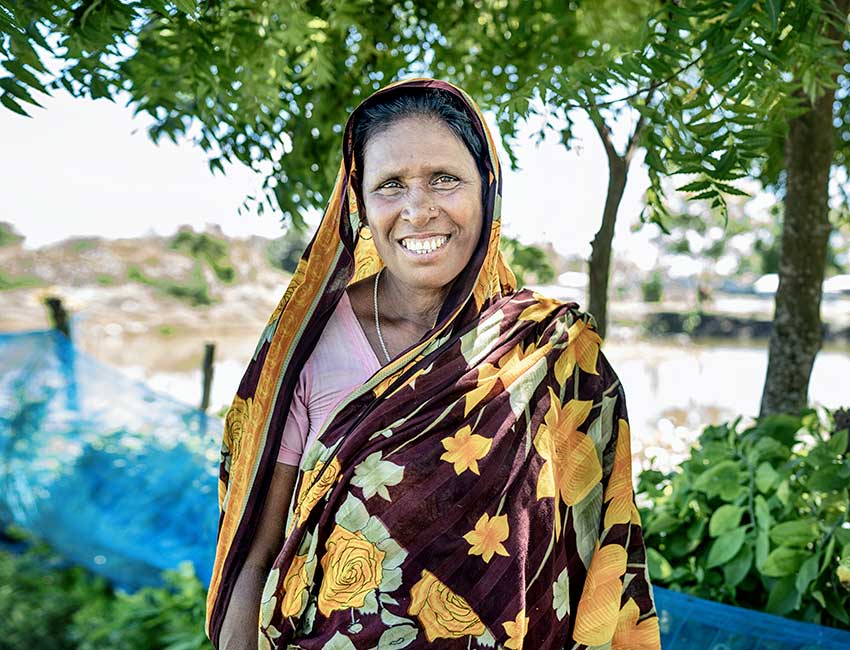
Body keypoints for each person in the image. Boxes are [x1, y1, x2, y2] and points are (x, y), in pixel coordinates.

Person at [205, 78, 661, 650]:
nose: (418, 210)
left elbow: (594, 556)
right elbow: (256, 551)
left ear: (487, 191)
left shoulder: (550, 353)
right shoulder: (307, 344)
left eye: (445, 180)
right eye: (390, 185)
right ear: (361, 206)